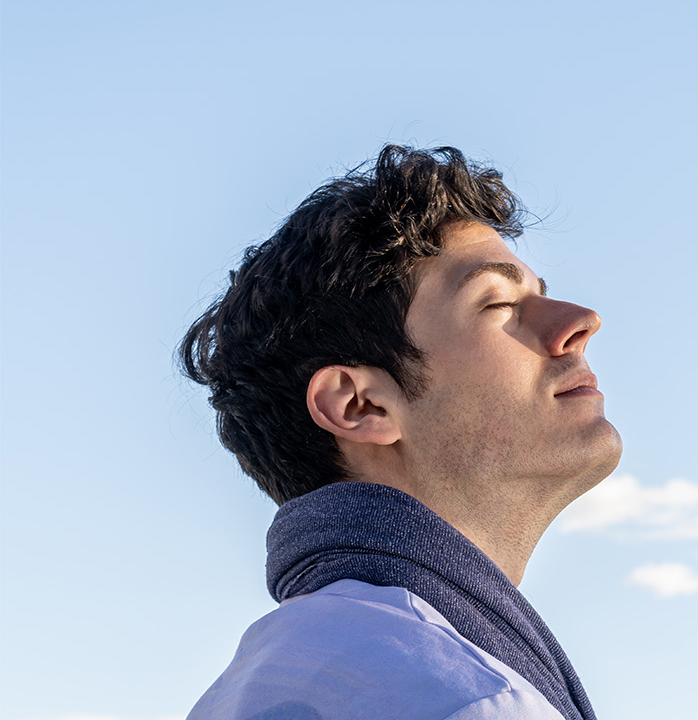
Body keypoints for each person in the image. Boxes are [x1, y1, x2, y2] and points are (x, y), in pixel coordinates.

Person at [180, 145, 621, 720]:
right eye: (499, 303)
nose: (580, 321)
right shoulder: (460, 697)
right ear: (360, 404)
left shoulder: (261, 685)